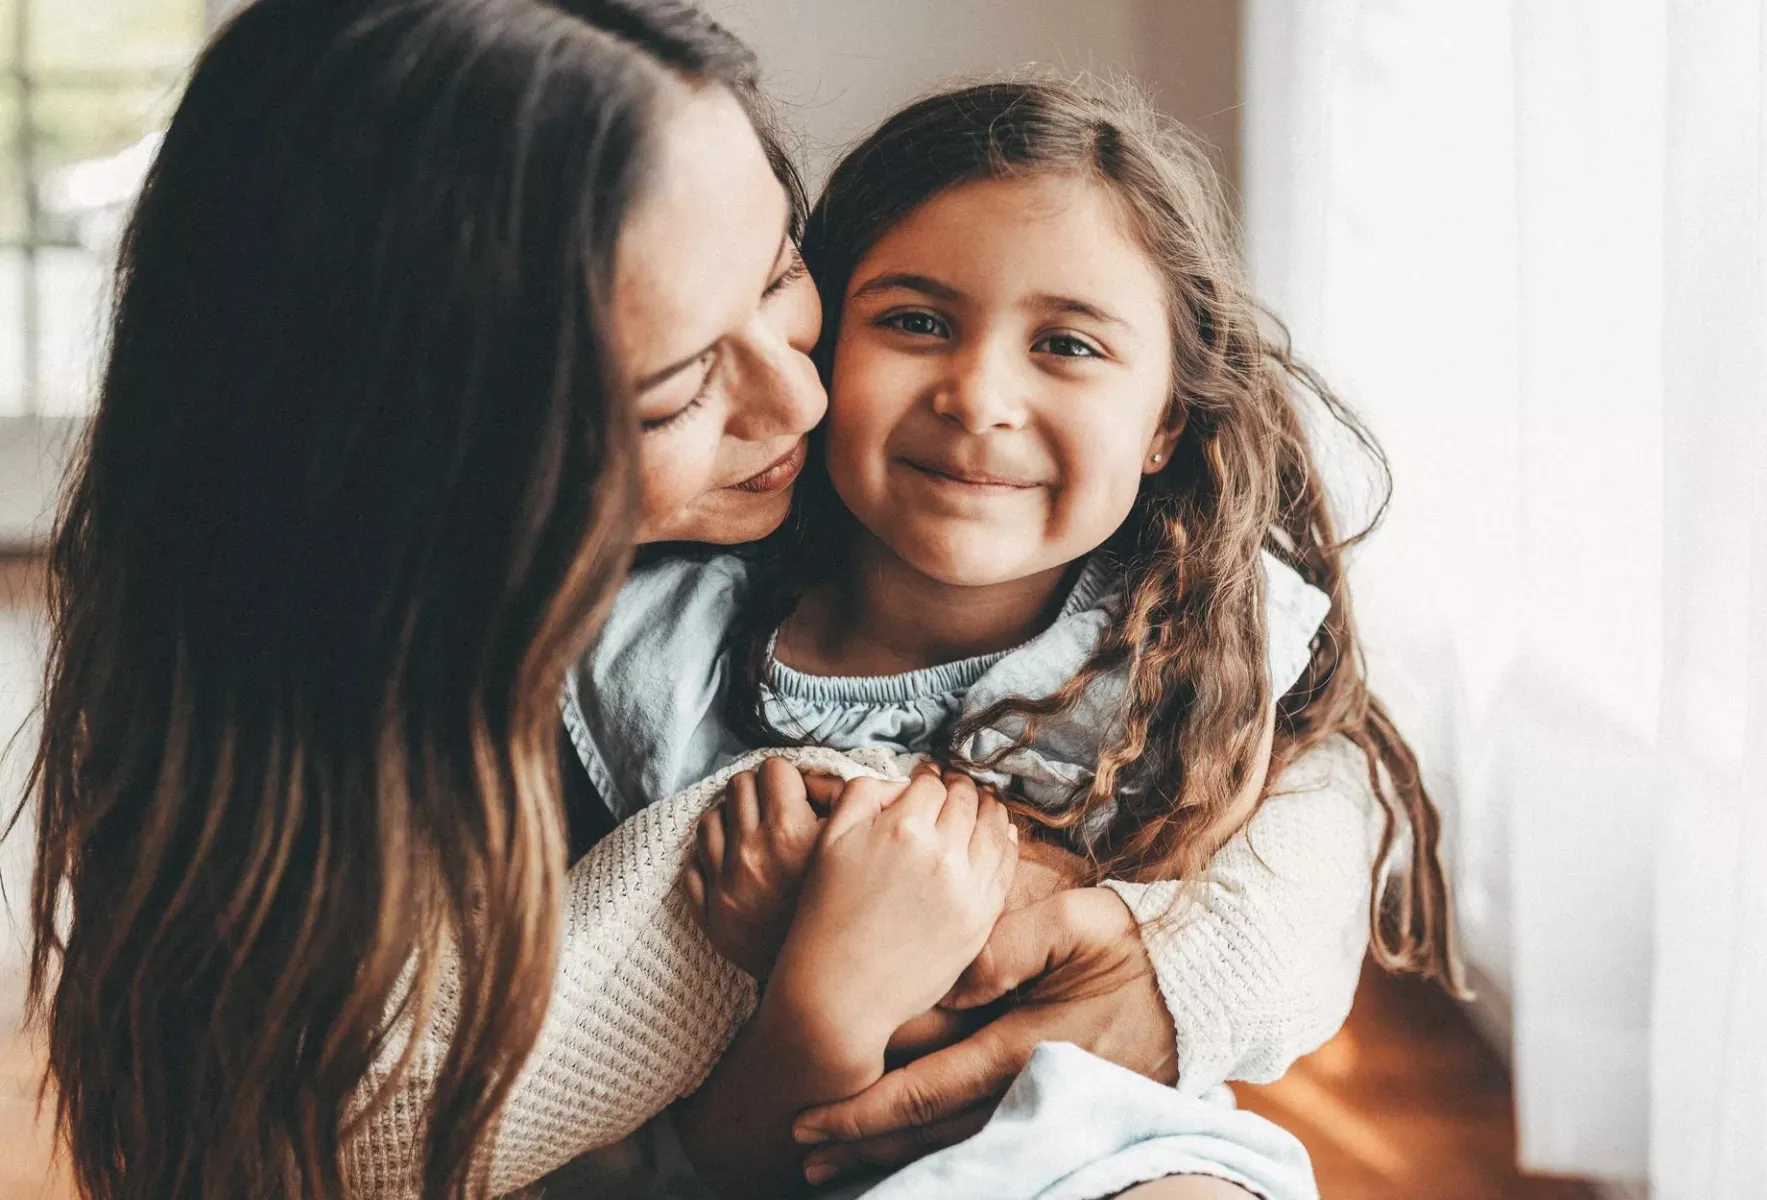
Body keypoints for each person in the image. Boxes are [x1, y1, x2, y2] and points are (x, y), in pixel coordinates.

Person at [15, 2, 1325, 1197]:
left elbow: (1331, 772)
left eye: (778, 279)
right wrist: (797, 994)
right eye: (677, 386)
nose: (801, 403)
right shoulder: (481, 775)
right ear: (421, 461)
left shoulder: (1125, 591)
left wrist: (1186, 964)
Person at [559, 76, 1461, 1197]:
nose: (979, 395)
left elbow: (1197, 974)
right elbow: (692, 1153)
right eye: (916, 322)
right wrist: (814, 990)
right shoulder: (665, 664)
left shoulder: (1183, 649)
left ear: (1167, 420)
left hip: (1109, 1155)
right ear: (825, 345)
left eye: (1069, 346)